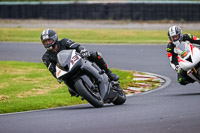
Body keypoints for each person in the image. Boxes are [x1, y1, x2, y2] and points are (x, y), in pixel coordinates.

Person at [41, 29, 119, 95]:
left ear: (54, 38)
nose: (47, 43)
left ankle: (109, 73)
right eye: (45, 42)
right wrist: (57, 76)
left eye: (49, 40)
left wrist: (83, 50)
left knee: (95, 55)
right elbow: (53, 70)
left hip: (78, 60)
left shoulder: (64, 41)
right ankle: (80, 90)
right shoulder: (46, 57)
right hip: (67, 71)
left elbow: (77, 46)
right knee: (70, 89)